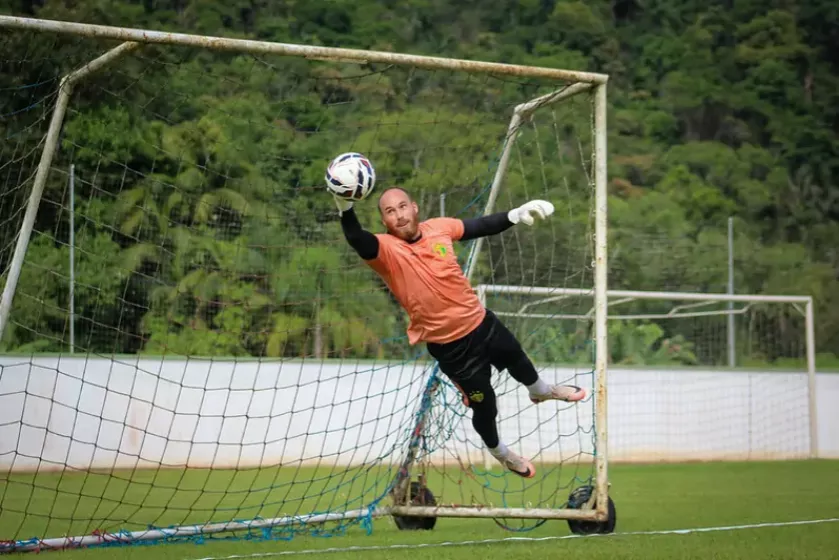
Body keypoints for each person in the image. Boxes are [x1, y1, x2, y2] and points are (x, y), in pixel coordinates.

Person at [333, 187, 586, 478]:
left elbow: (479, 226)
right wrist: (345, 209)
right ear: (384, 221)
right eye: (390, 212)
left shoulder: (438, 228)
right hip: (452, 348)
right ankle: (501, 452)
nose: (399, 215)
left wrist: (515, 215)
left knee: (517, 356)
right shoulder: (385, 249)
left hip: (480, 322)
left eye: (402, 207)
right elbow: (357, 239)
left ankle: (541, 391)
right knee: (485, 406)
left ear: (414, 208)